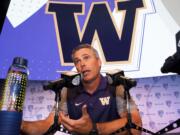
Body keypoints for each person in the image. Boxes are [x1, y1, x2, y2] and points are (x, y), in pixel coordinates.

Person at [21, 44, 142, 135]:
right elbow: (48, 124)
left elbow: (135, 126)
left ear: (99, 62)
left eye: (86, 58)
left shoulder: (116, 86)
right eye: (77, 61)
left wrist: (93, 128)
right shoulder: (67, 91)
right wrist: (19, 125)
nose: (82, 64)